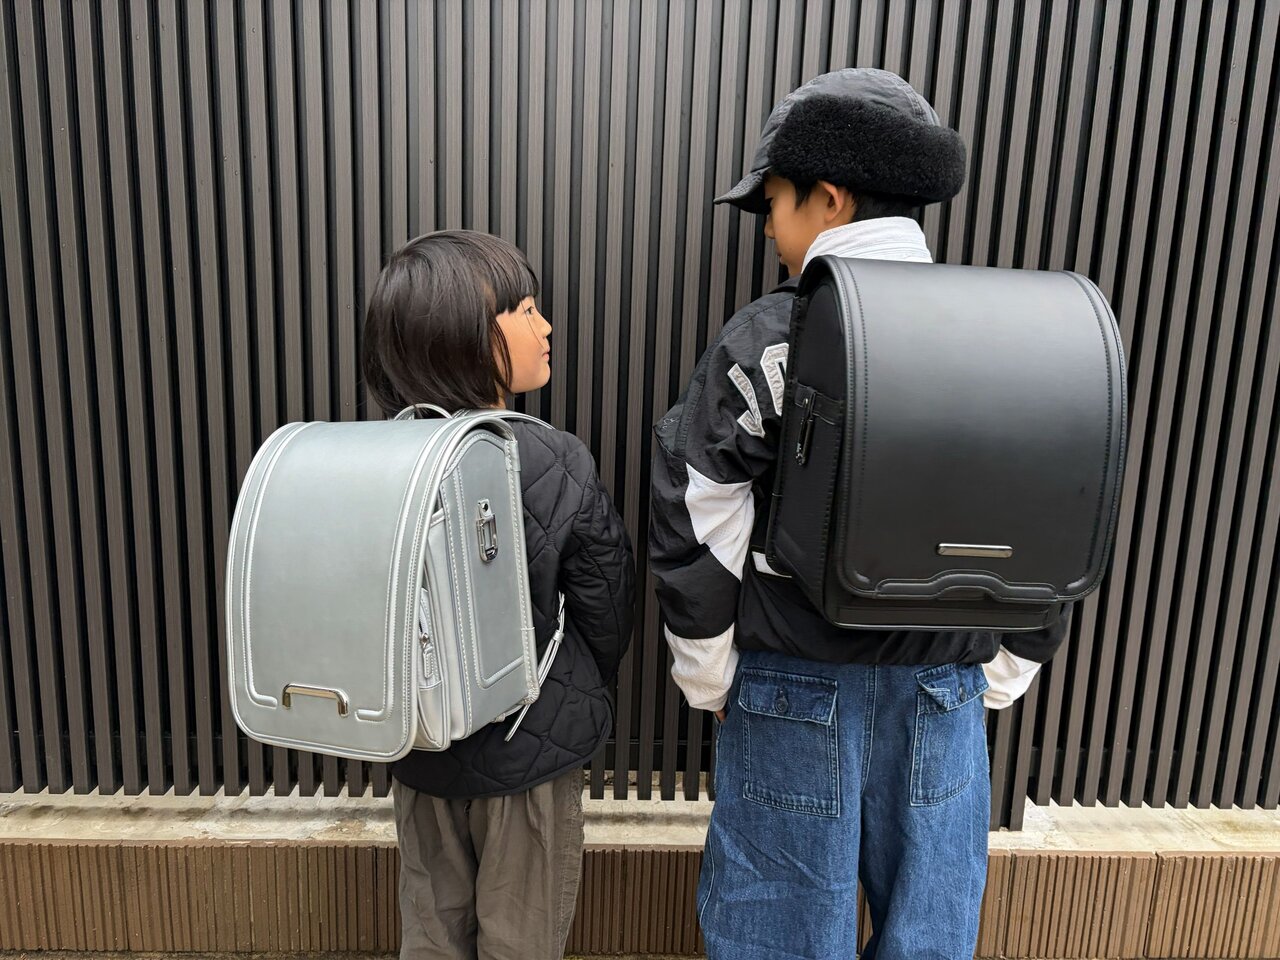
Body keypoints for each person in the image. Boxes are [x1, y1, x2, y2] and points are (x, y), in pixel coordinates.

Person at [649, 68, 1070, 959]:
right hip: (945, 696)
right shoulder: (1011, 333)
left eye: (774, 202)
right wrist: (1000, 672)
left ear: (830, 196)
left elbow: (697, 498)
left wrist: (711, 677)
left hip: (792, 688)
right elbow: (1056, 513)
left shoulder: (776, 336)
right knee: (930, 939)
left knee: (778, 938)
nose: (770, 229)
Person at [362, 230, 636, 960]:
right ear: (466, 337)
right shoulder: (552, 457)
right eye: (525, 310)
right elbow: (607, 605)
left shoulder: (378, 459)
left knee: (431, 933)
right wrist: (576, 692)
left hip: (420, 749)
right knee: (522, 941)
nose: (545, 327)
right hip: (528, 760)